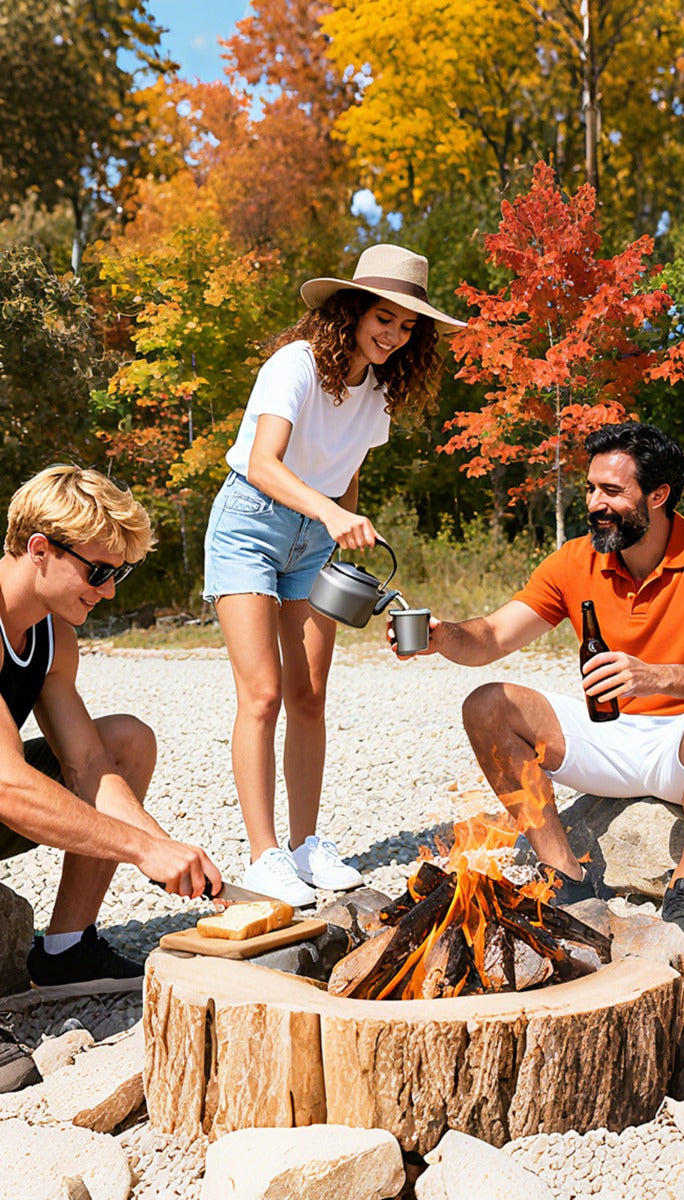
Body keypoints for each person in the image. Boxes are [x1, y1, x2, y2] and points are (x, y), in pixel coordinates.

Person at [388, 423, 684, 953]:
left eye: (612, 492)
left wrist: (655, 675)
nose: (595, 503)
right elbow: (495, 635)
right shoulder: (575, 559)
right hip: (604, 733)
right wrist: (443, 637)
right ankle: (567, 877)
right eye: (591, 489)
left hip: (683, 745)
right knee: (487, 704)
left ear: (657, 495)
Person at [204, 244, 464, 907]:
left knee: (310, 694)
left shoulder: (376, 390)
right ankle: (263, 857)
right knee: (262, 694)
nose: (395, 335)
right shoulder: (292, 366)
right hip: (251, 525)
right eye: (384, 318)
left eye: (408, 327)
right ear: (349, 310)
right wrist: (326, 513)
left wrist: (347, 541)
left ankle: (305, 845)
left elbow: (347, 474)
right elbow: (264, 462)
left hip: (315, 542)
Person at [0, 466, 220, 1001]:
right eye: (98, 571)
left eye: (117, 576)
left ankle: (67, 951)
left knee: (126, 740)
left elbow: (89, 765)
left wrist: (170, 853)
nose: (107, 593)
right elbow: (6, 784)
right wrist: (141, 850)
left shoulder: (53, 635)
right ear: (39, 549)